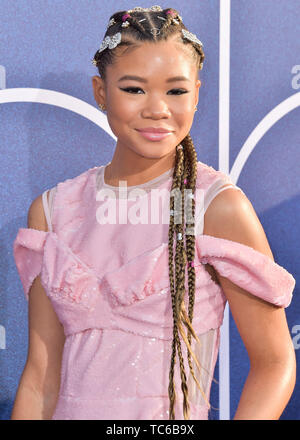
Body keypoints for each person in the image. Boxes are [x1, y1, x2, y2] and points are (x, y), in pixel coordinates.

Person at [11, 5, 296, 421]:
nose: (157, 109)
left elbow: (274, 364)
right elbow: (40, 375)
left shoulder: (217, 207)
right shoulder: (54, 210)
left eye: (176, 91)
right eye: (134, 89)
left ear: (197, 94)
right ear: (100, 91)